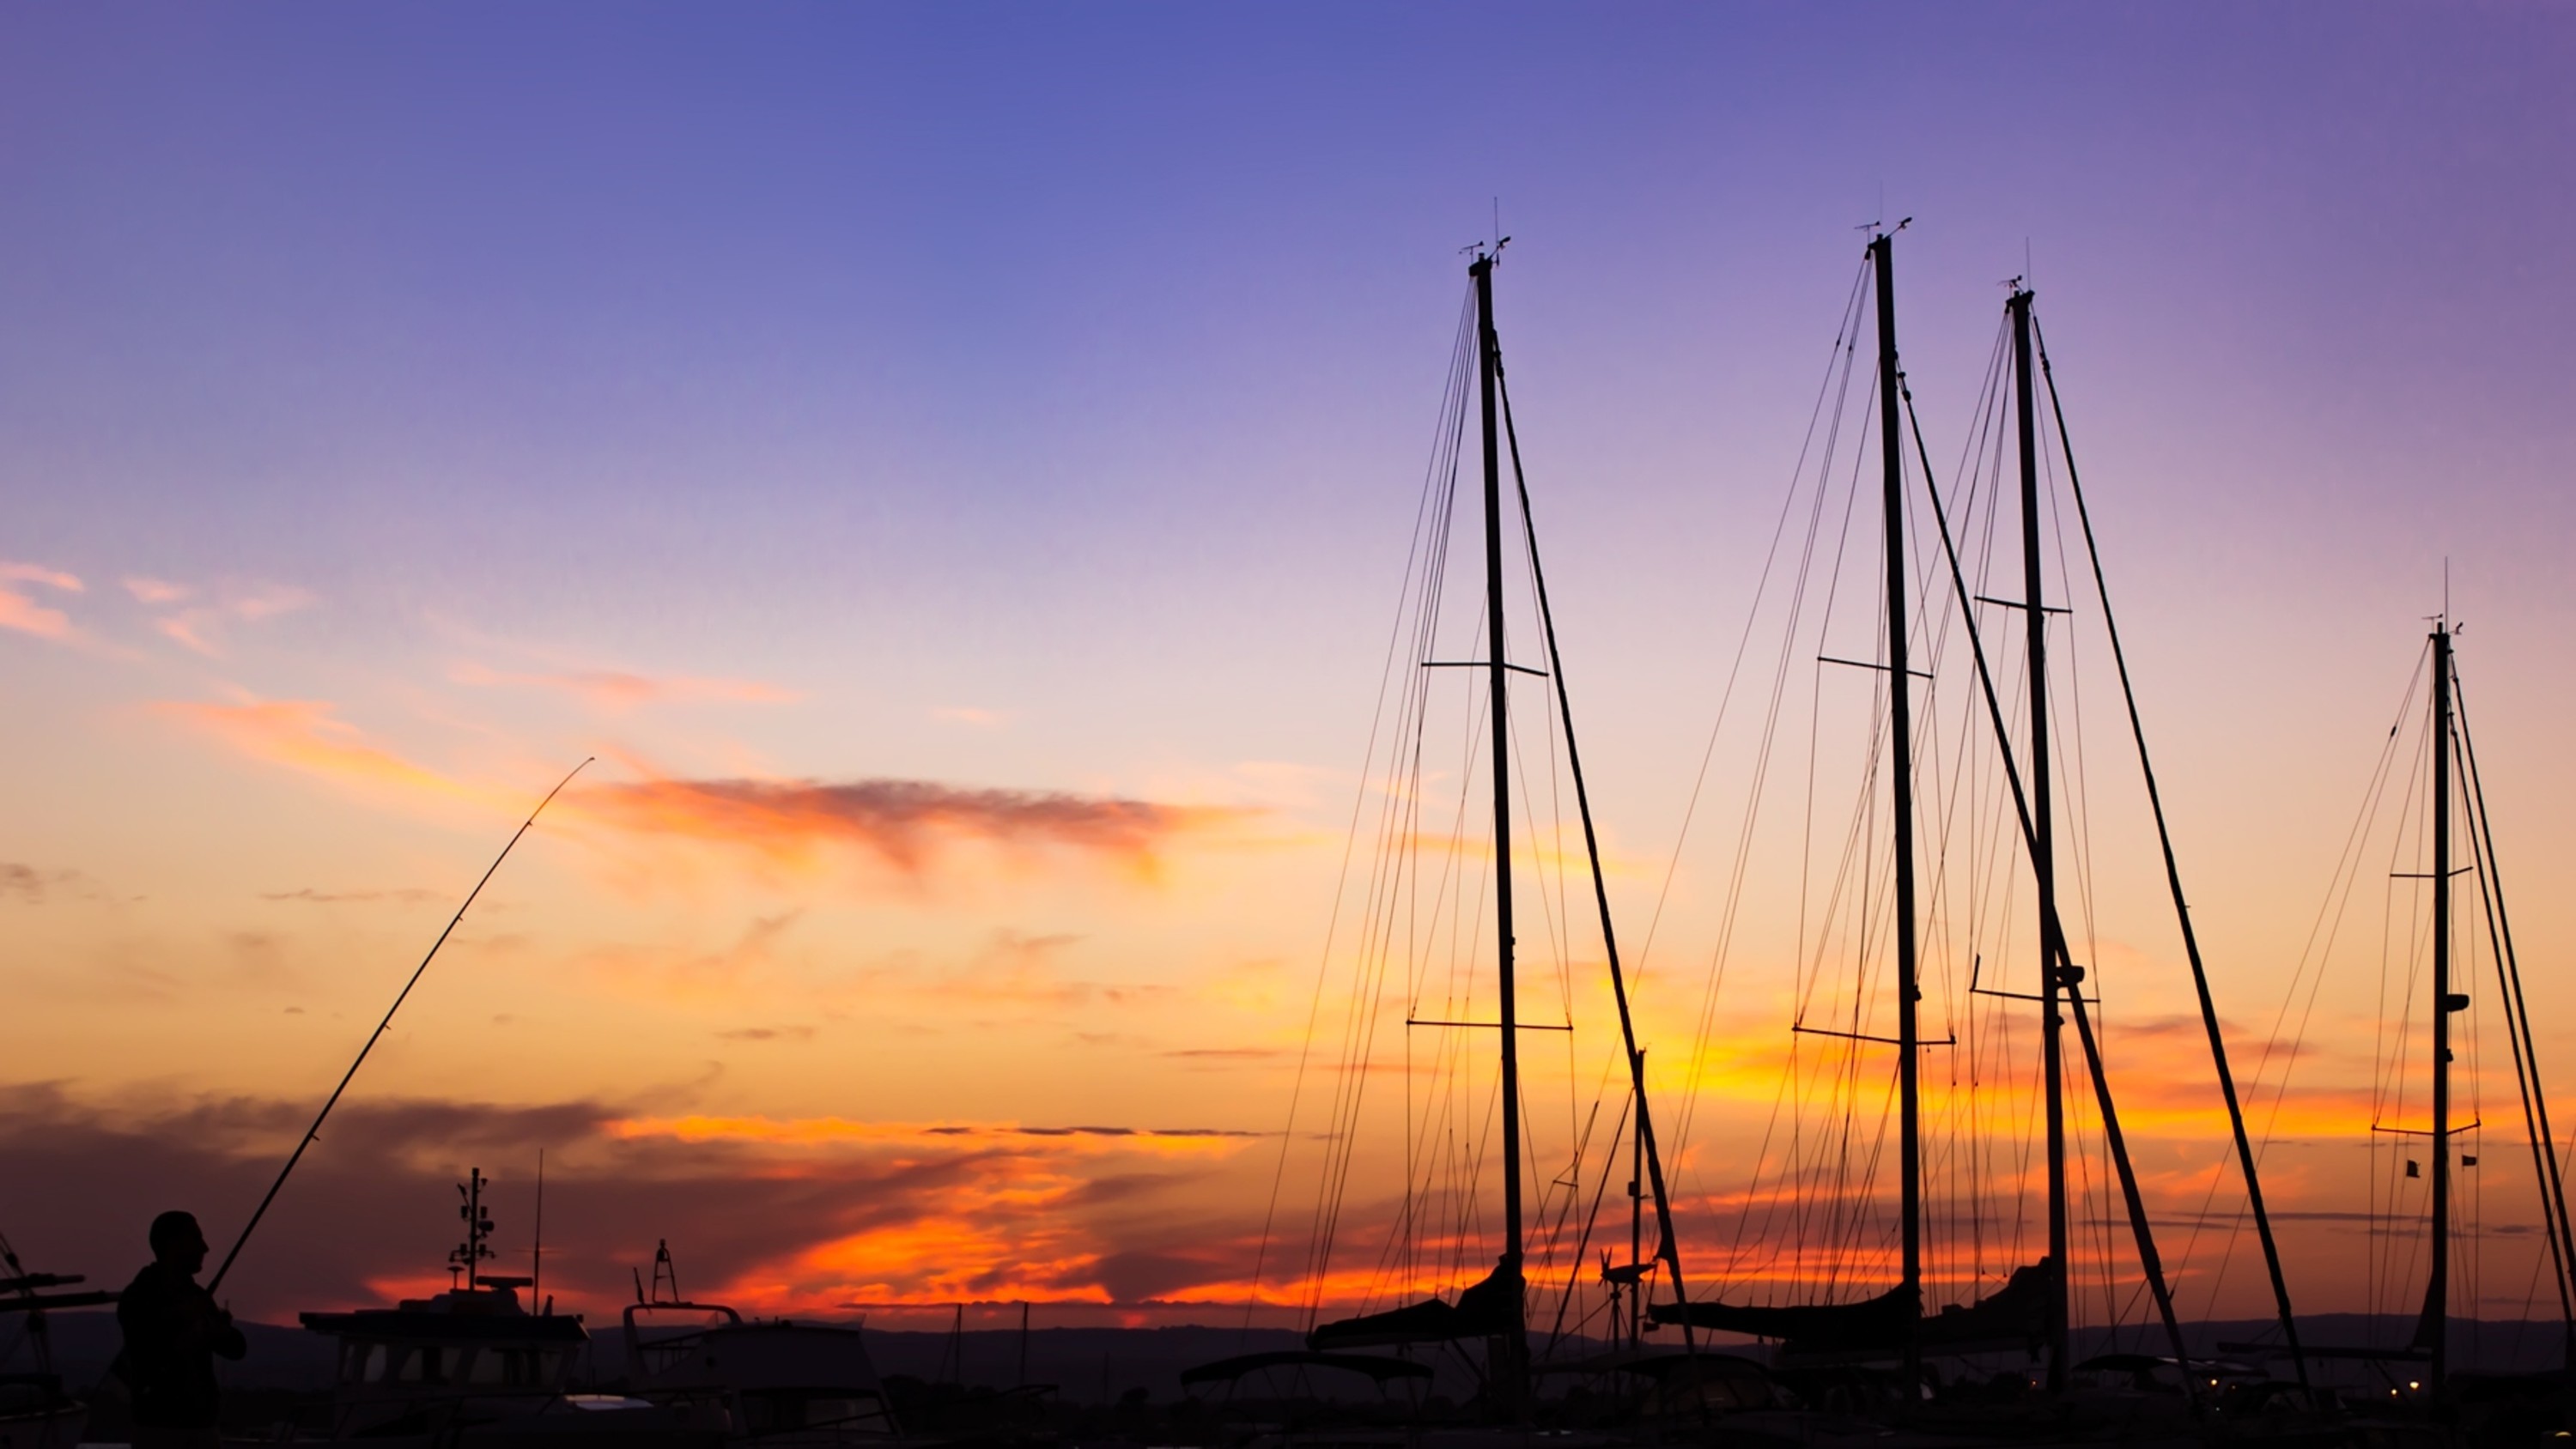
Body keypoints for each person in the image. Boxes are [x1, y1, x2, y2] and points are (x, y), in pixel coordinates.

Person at [117, 1210, 247, 1449]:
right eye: (196, 1239)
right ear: (173, 1243)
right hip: (159, 1428)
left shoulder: (198, 1297)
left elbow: (237, 1349)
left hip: (202, 1426)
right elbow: (150, 1350)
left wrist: (218, 1331)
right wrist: (185, 1321)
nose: (205, 1248)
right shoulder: (139, 1297)